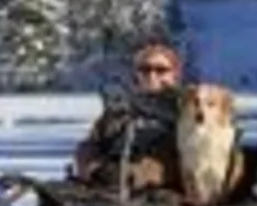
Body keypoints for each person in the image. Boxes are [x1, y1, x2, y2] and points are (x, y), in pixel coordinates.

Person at [71, 42, 186, 196]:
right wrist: (92, 167)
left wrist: (134, 174)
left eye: (161, 70)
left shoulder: (187, 108)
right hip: (106, 184)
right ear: (136, 74)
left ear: (174, 74)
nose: (152, 75)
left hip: (159, 189)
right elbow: (92, 143)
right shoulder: (121, 110)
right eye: (145, 70)